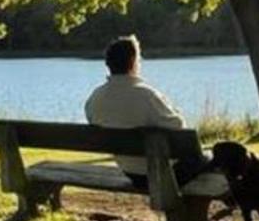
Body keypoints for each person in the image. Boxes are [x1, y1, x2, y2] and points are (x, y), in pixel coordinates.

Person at [83, 35, 208, 188]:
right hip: (164, 174)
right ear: (133, 62)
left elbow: (93, 120)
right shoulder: (146, 95)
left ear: (108, 64)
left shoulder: (95, 98)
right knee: (211, 160)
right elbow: (178, 126)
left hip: (132, 174)